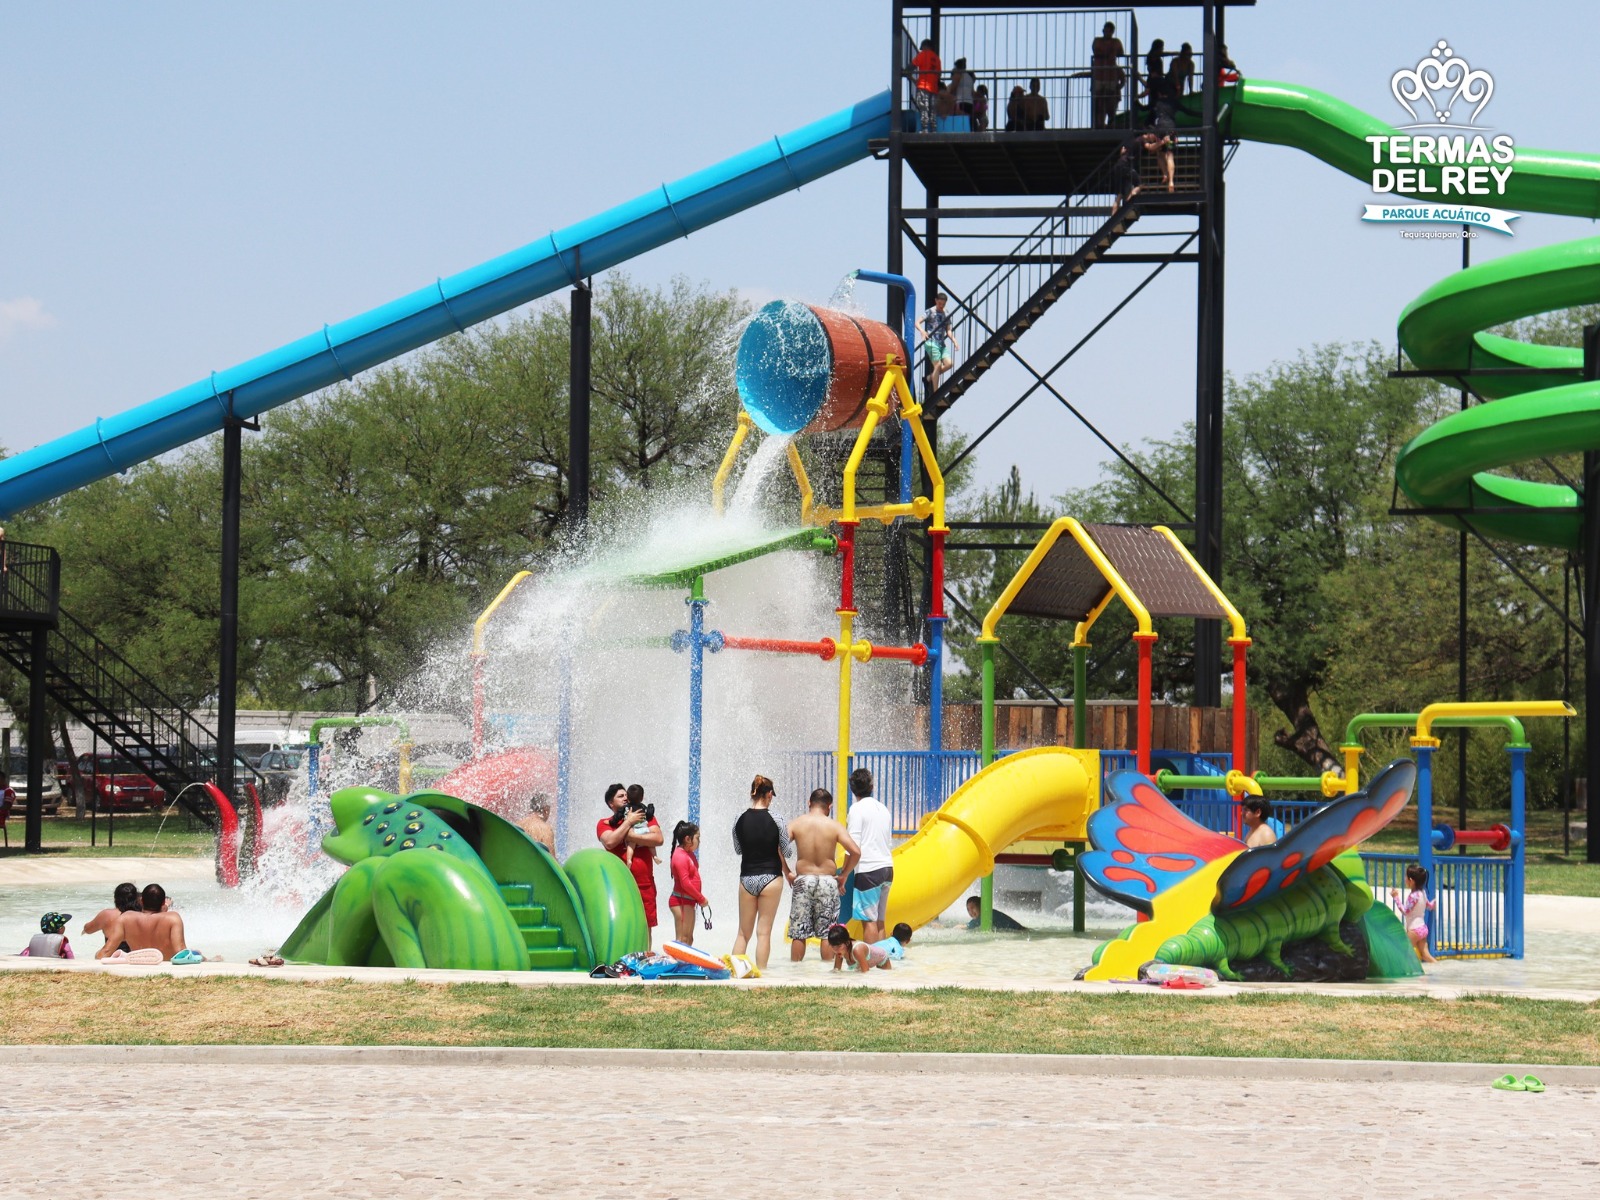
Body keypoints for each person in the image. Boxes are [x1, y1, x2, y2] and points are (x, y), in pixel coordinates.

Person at [785, 787, 861, 962]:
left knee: (798, 932)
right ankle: (825, 973)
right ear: (830, 806)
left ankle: (794, 973)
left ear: (809, 803)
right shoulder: (834, 826)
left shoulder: (796, 823)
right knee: (827, 933)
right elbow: (855, 851)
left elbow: (776, 847)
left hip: (803, 880)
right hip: (827, 881)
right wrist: (844, 875)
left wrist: (787, 871)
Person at [731, 775, 794, 972]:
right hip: (771, 878)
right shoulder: (777, 819)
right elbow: (788, 851)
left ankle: (736, 973)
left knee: (743, 933)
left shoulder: (739, 819)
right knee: (764, 933)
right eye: (771, 795)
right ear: (768, 794)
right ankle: (763, 973)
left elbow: (738, 850)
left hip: (747, 877)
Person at [597, 782, 663, 947]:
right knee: (622, 921)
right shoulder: (605, 823)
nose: (625, 797)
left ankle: (646, 957)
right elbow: (610, 842)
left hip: (644, 883)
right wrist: (628, 822)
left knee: (646, 924)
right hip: (619, 884)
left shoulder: (643, 815)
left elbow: (658, 839)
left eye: (626, 794)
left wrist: (631, 836)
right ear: (611, 803)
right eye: (620, 796)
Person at [844, 767, 894, 946]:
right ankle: (881, 962)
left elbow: (851, 847)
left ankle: (871, 965)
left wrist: (843, 875)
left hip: (868, 871)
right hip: (887, 869)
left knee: (869, 922)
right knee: (880, 921)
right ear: (871, 786)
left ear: (852, 789)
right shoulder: (884, 809)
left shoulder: (856, 809)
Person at [668, 820, 710, 946]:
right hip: (681, 901)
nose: (699, 841)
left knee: (688, 939)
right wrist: (701, 899)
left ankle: (685, 964)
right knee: (683, 940)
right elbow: (685, 883)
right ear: (687, 839)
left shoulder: (688, 853)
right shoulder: (680, 856)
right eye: (697, 838)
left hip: (688, 901)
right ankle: (678, 964)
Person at [1392, 865, 1438, 964]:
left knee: (1403, 951)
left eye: (1406, 877)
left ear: (1411, 881)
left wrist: (1396, 897)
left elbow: (1405, 911)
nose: (1405, 879)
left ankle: (1410, 974)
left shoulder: (1413, 896)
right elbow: (1429, 906)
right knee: (1425, 955)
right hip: (1422, 928)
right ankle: (1440, 968)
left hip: (1414, 930)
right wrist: (1434, 903)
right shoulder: (1423, 893)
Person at [84, 881, 142, 955]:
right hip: (137, 957)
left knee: (97, 954)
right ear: (136, 898)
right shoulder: (142, 915)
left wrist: (85, 928)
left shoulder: (106, 915)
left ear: (115, 899)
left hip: (113, 958)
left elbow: (88, 930)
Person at [916, 292, 958, 392]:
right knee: (938, 365)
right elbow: (917, 322)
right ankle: (936, 391)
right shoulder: (930, 311)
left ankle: (928, 378)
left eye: (943, 304)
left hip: (941, 343)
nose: (941, 306)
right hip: (931, 342)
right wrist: (922, 331)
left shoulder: (946, 313)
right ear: (936, 301)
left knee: (949, 364)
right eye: (939, 304)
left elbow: (948, 330)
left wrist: (954, 340)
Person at [1090, 21, 1127, 129]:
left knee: (1111, 103)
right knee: (1098, 104)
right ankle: (1098, 124)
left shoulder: (1115, 42)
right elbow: (1096, 52)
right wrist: (1110, 54)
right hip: (1099, 75)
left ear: (1111, 32)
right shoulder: (1098, 41)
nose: (1106, 33)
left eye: (1108, 31)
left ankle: (1111, 124)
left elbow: (1121, 53)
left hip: (1110, 77)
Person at [826, 923, 892, 972]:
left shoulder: (857, 950)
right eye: (832, 946)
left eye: (839, 946)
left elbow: (866, 971)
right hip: (868, 960)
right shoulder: (839, 951)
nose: (835, 950)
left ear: (847, 943)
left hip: (882, 958)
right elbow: (836, 970)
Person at [907, 38, 941, 132]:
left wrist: (908, 75)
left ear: (925, 46)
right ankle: (934, 129)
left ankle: (925, 129)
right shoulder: (937, 59)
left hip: (923, 86)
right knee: (933, 109)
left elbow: (910, 68)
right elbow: (938, 75)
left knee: (924, 108)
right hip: (934, 89)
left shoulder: (922, 55)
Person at [948, 57, 975, 124]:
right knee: (967, 121)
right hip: (969, 102)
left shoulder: (958, 75)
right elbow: (972, 92)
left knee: (960, 120)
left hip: (961, 101)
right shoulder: (969, 77)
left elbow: (953, 88)